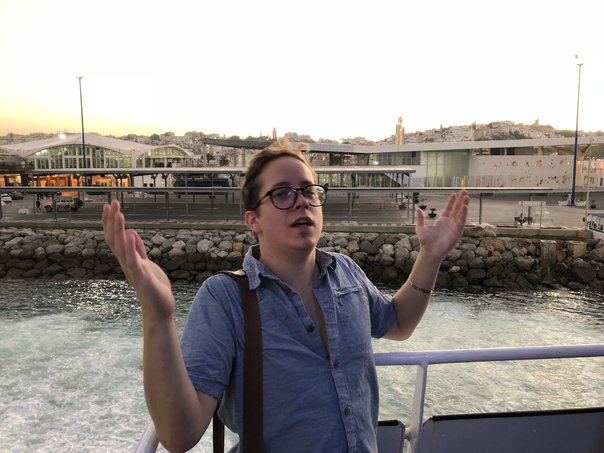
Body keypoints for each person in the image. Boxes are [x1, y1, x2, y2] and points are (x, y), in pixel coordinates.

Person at [102, 139, 469, 452]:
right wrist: (157, 315)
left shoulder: (346, 272)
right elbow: (178, 435)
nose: (301, 201)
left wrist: (430, 256)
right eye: (281, 194)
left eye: (309, 191)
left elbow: (399, 323)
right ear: (253, 220)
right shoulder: (225, 299)